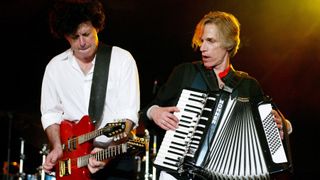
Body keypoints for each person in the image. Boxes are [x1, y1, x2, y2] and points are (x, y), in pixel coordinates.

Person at [140, 11, 292, 180]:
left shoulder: (248, 86)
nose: (202, 47)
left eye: (210, 41)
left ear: (228, 44)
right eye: (202, 40)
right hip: (178, 173)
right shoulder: (186, 72)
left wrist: (283, 126)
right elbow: (146, 111)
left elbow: (269, 131)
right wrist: (154, 112)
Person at [40, 0, 140, 179]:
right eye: (74, 37)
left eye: (86, 34)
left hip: (114, 155)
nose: (82, 42)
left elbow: (128, 116)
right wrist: (56, 147)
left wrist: (107, 154)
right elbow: (50, 114)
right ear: (65, 36)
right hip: (72, 160)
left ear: (97, 27)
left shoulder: (122, 60)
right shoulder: (55, 67)